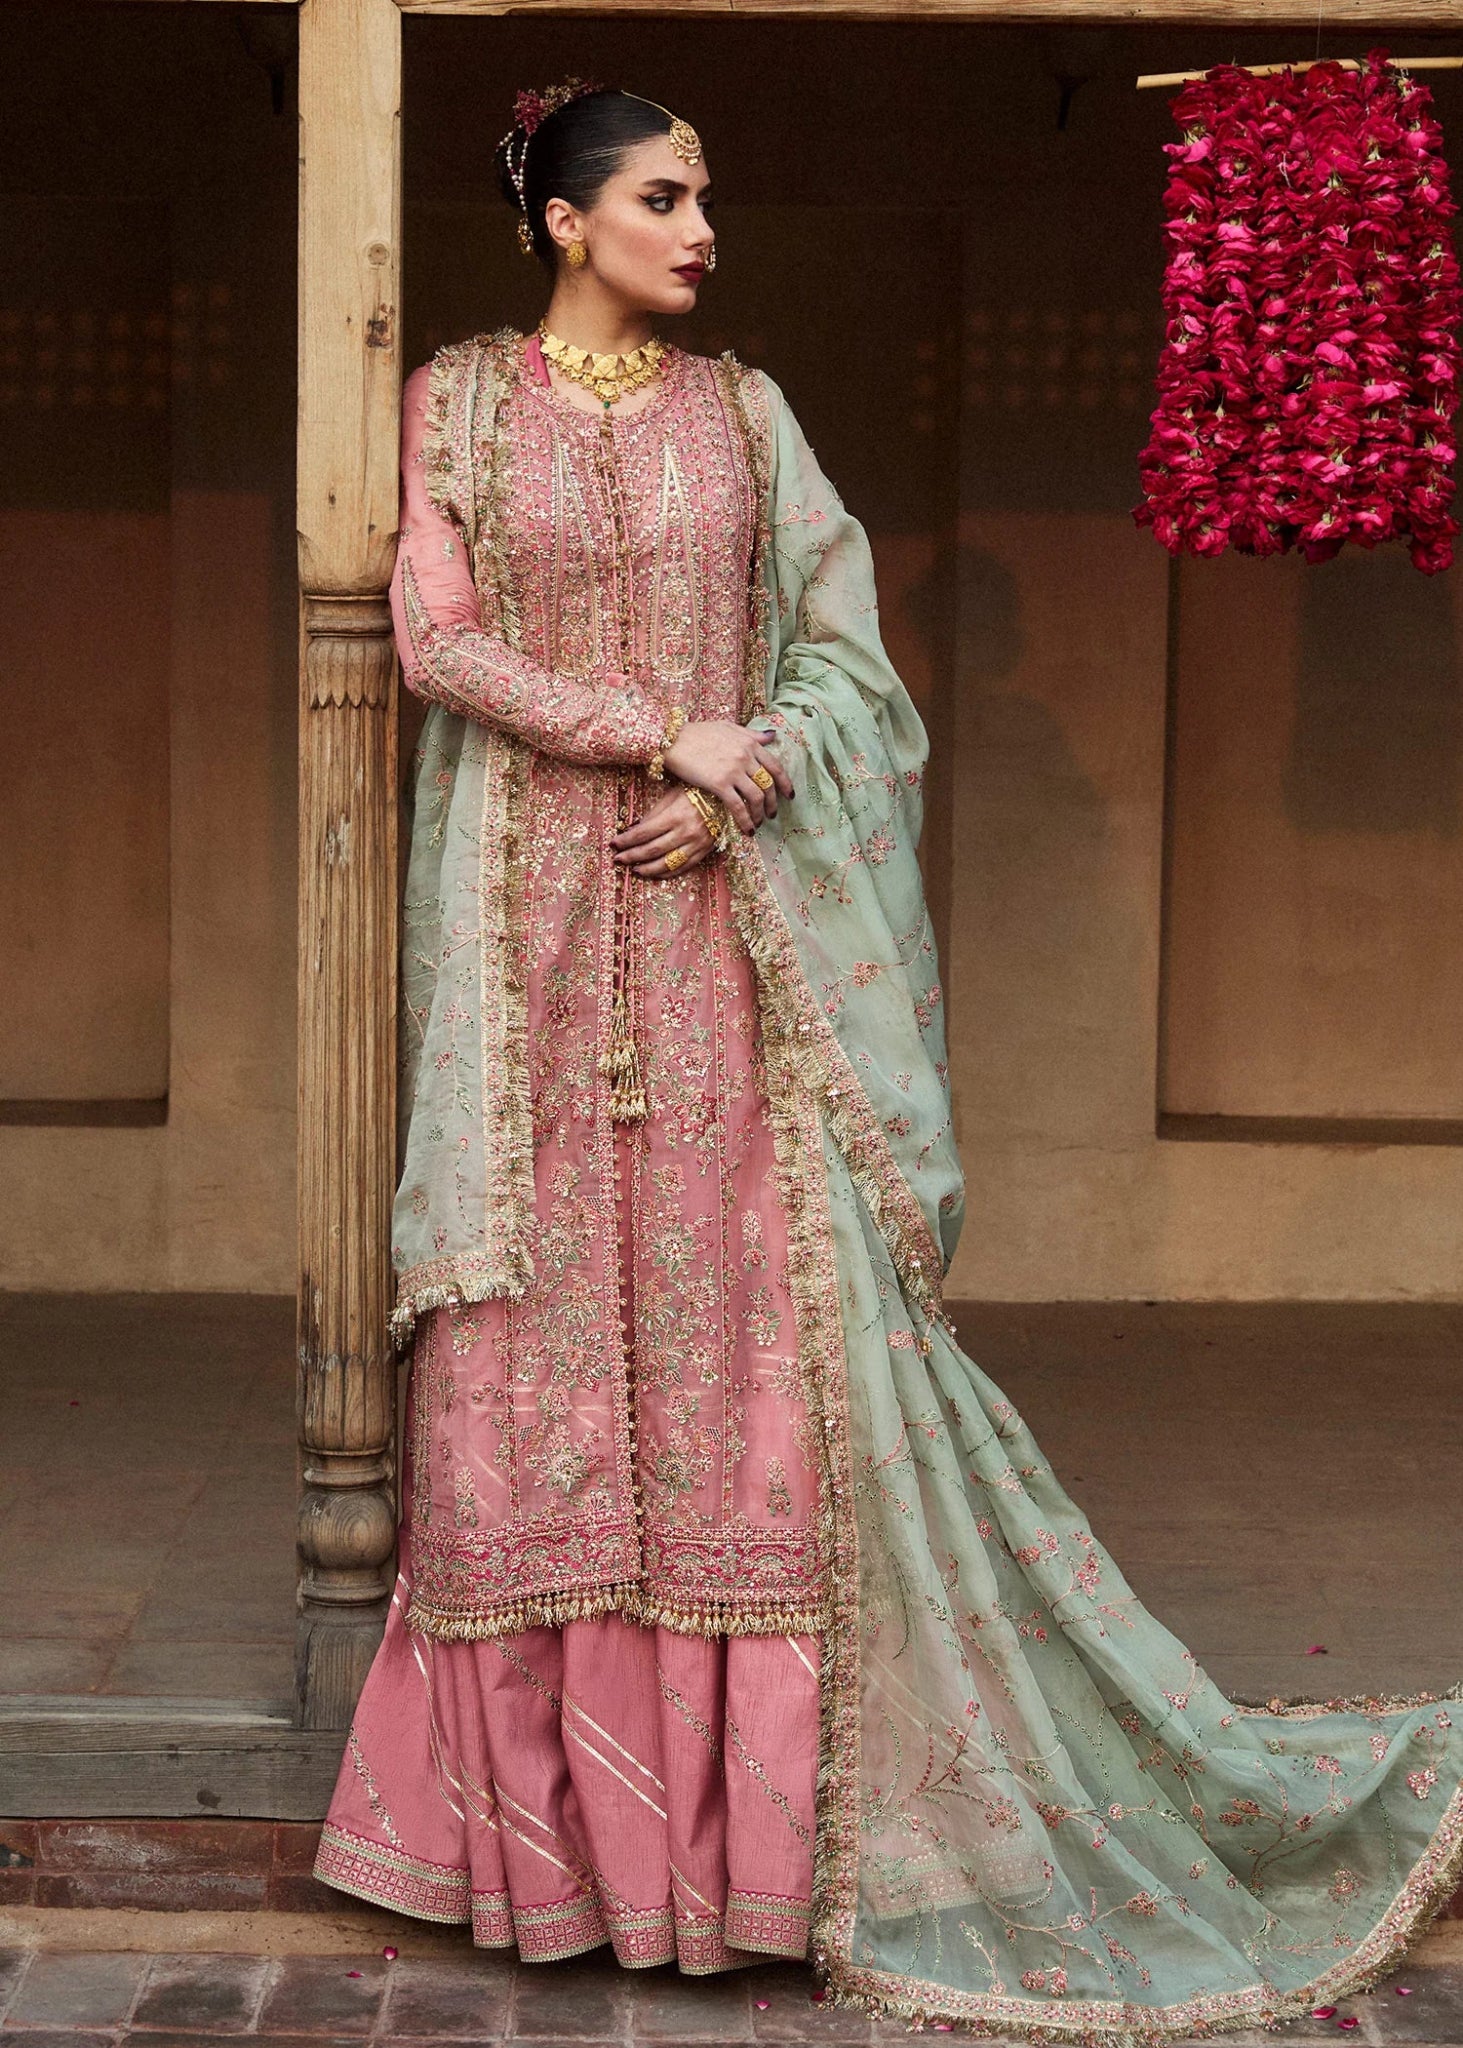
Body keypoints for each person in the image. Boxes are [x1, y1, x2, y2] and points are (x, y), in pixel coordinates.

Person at [315, 78, 1463, 2040]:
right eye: (665, 197)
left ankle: (750, 1874)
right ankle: (556, 1872)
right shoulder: (453, 402)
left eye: (707, 197)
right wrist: (649, 729)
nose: (701, 232)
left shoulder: (747, 419)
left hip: (718, 954)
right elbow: (428, 634)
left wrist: (748, 769)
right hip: (521, 971)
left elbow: (847, 669)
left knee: (749, 1392)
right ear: (567, 219)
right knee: (529, 1387)